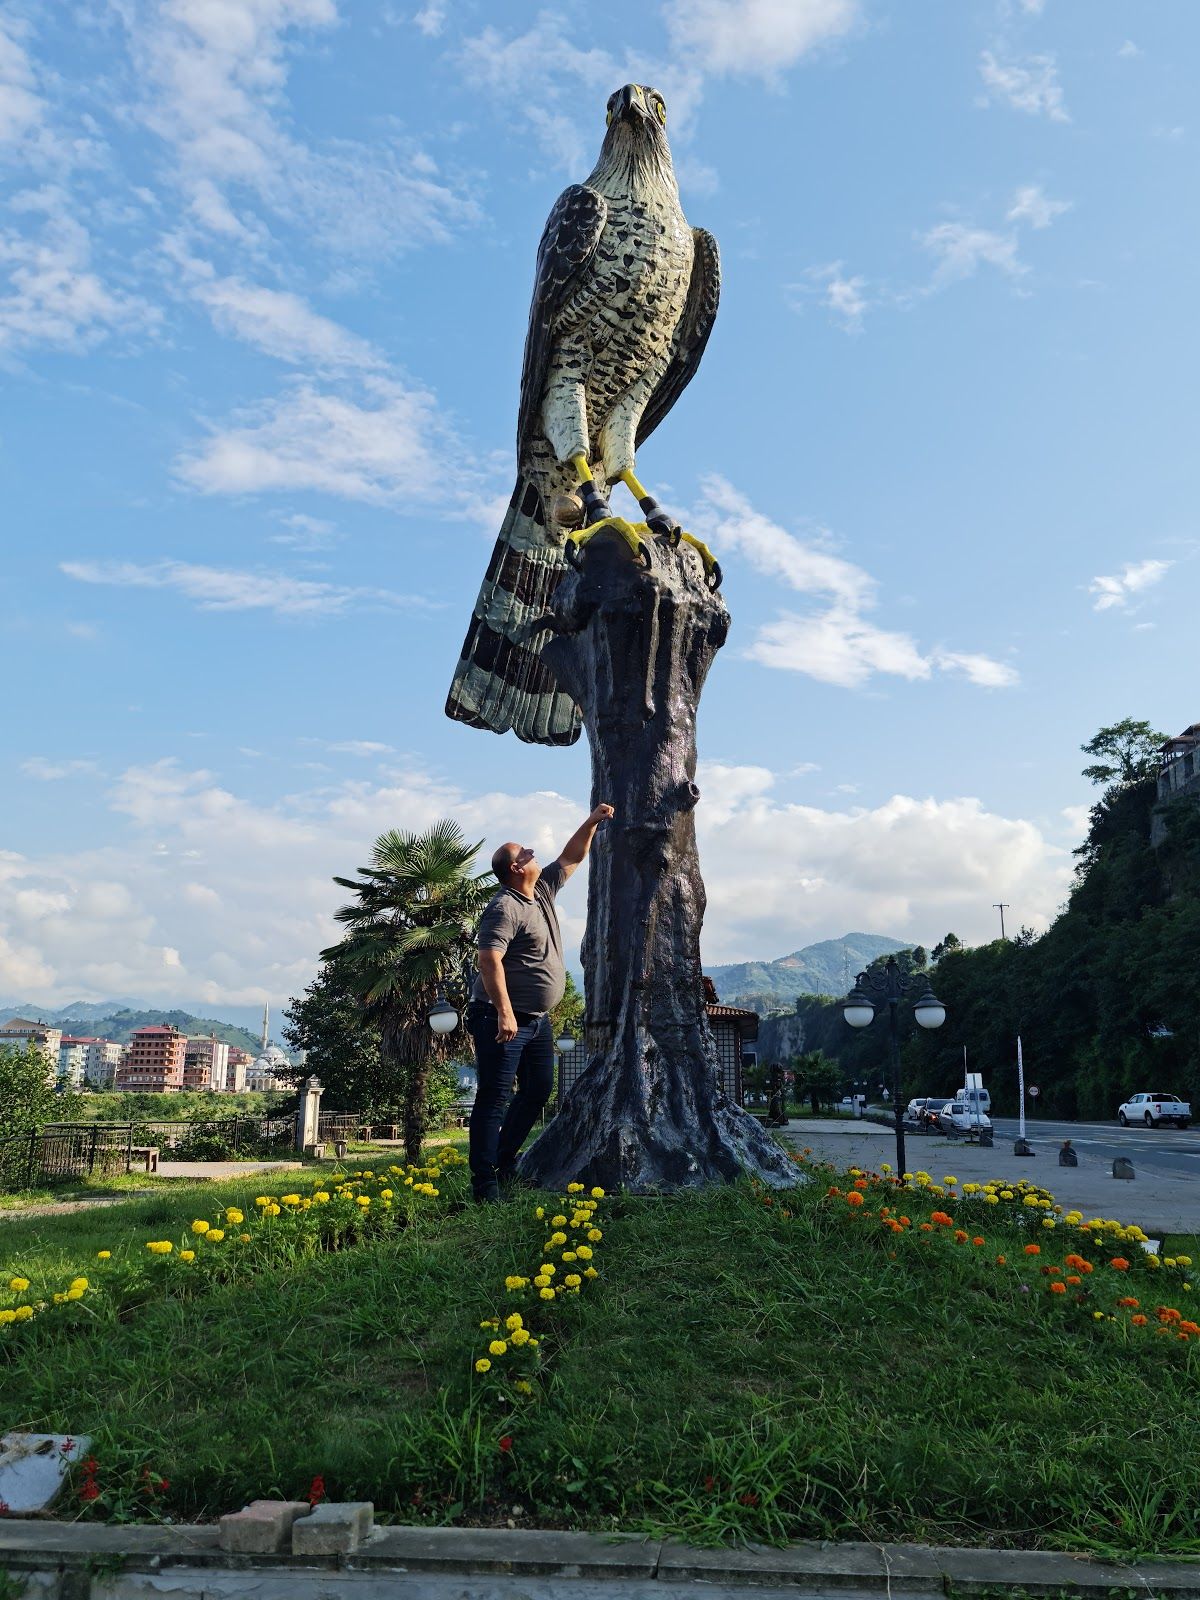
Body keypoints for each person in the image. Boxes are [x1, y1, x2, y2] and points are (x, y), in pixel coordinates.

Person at [466, 803, 614, 1202]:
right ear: (515, 868)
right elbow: (488, 958)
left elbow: (571, 857)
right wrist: (505, 1012)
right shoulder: (504, 907)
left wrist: (592, 822)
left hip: (536, 1020)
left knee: (537, 1089)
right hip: (501, 1019)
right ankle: (485, 1186)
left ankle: (503, 1159)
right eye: (525, 852)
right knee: (493, 1098)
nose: (533, 853)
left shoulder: (542, 890)